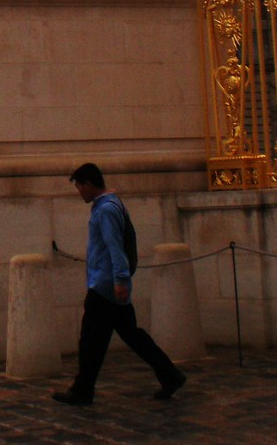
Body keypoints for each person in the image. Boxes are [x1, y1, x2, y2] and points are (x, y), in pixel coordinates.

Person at [53, 163, 186, 406]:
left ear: (89, 184)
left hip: (105, 287)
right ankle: (169, 375)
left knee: (90, 340)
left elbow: (114, 247)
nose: (79, 192)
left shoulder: (106, 210)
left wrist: (120, 280)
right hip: (109, 284)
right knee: (130, 336)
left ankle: (83, 390)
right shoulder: (110, 205)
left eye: (79, 187)